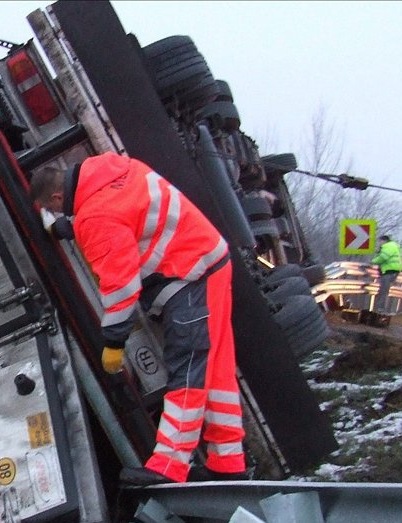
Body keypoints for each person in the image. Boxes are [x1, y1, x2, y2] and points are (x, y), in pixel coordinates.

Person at [30, 155, 247, 486]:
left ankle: (170, 465)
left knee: (186, 367)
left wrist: (114, 343)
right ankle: (228, 461)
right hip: (208, 261)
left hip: (188, 275)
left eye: (57, 209)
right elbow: (121, 214)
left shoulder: (94, 215)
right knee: (215, 370)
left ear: (58, 198)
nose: (62, 213)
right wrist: (71, 227)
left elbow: (121, 287)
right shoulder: (112, 170)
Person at [371, 235, 402, 314]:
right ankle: (381, 309)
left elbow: (383, 257)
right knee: (385, 291)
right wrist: (379, 251)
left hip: (389, 271)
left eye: (380, 241)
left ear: (384, 240)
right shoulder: (394, 245)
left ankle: (380, 309)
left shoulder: (387, 246)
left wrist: (372, 261)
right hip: (394, 271)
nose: (380, 243)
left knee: (383, 291)